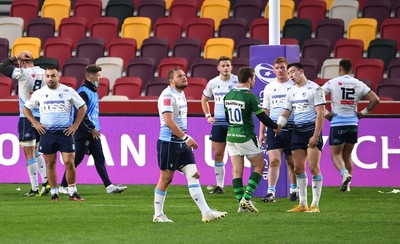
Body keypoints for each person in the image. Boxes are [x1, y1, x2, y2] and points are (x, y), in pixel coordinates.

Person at [153, 67, 227, 223]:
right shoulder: (167, 95)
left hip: (181, 143)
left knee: (194, 174)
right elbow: (168, 121)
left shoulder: (180, 94)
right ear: (171, 81)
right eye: (180, 76)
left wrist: (184, 139)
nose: (184, 77)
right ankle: (158, 215)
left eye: (185, 75)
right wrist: (186, 138)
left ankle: (206, 212)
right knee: (166, 178)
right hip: (169, 143)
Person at [58, 65, 127, 194]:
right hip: (84, 132)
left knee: (99, 159)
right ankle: (63, 185)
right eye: (99, 75)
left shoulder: (93, 91)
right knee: (75, 160)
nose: (100, 78)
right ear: (91, 76)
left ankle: (109, 186)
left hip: (93, 131)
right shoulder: (83, 92)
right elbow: (80, 113)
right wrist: (91, 128)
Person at [23, 67, 87, 201]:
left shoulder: (68, 91)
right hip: (47, 133)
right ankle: (54, 193)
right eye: (47, 76)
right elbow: (26, 109)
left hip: (65, 132)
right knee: (50, 163)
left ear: (59, 77)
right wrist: (35, 123)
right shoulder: (39, 93)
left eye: (53, 76)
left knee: (69, 162)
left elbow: (82, 107)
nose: (50, 79)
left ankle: (72, 192)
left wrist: (75, 125)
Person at [224, 66, 280, 213]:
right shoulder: (250, 96)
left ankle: (241, 205)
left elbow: (227, 117)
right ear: (249, 79)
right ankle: (246, 198)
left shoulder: (228, 95)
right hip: (245, 136)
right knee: (259, 166)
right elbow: (262, 116)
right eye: (254, 78)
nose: (254, 80)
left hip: (231, 135)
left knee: (237, 171)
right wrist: (275, 126)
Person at [322, 59, 379, 192]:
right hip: (353, 123)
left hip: (337, 123)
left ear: (340, 70)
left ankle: (344, 174)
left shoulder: (333, 82)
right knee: (347, 155)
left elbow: (315, 96)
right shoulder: (358, 83)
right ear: (352, 70)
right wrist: (363, 113)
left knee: (335, 155)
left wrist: (325, 113)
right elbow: (375, 99)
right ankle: (348, 185)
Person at [276, 62, 326, 213]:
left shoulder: (315, 89)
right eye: (289, 73)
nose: (290, 75)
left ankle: (315, 205)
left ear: (301, 71)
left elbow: (321, 114)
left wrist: (315, 135)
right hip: (297, 132)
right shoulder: (291, 92)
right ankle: (303, 204)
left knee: (313, 168)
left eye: (292, 72)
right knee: (298, 168)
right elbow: (286, 112)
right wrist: (278, 125)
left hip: (311, 131)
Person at [0, 51, 50, 197]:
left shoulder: (22, 73)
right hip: (42, 116)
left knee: (29, 153)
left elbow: (3, 67)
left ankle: (34, 188)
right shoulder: (43, 72)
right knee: (37, 151)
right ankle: (46, 182)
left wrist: (15, 57)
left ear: (21, 63)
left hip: (27, 117)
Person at [258, 57, 298, 203]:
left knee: (291, 162)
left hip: (291, 127)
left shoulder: (294, 85)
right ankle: (271, 193)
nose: (280, 70)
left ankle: (294, 190)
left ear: (287, 69)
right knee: (274, 160)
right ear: (273, 70)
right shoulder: (269, 87)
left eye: (282, 67)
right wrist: (261, 132)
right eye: (277, 68)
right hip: (273, 128)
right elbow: (265, 111)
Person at [201, 56, 239, 194]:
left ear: (231, 67)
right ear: (218, 68)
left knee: (237, 154)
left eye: (228, 65)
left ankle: (238, 184)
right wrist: (208, 116)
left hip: (234, 123)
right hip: (219, 123)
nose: (225, 68)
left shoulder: (237, 81)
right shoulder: (213, 83)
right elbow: (204, 100)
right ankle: (220, 186)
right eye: (223, 65)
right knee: (218, 154)